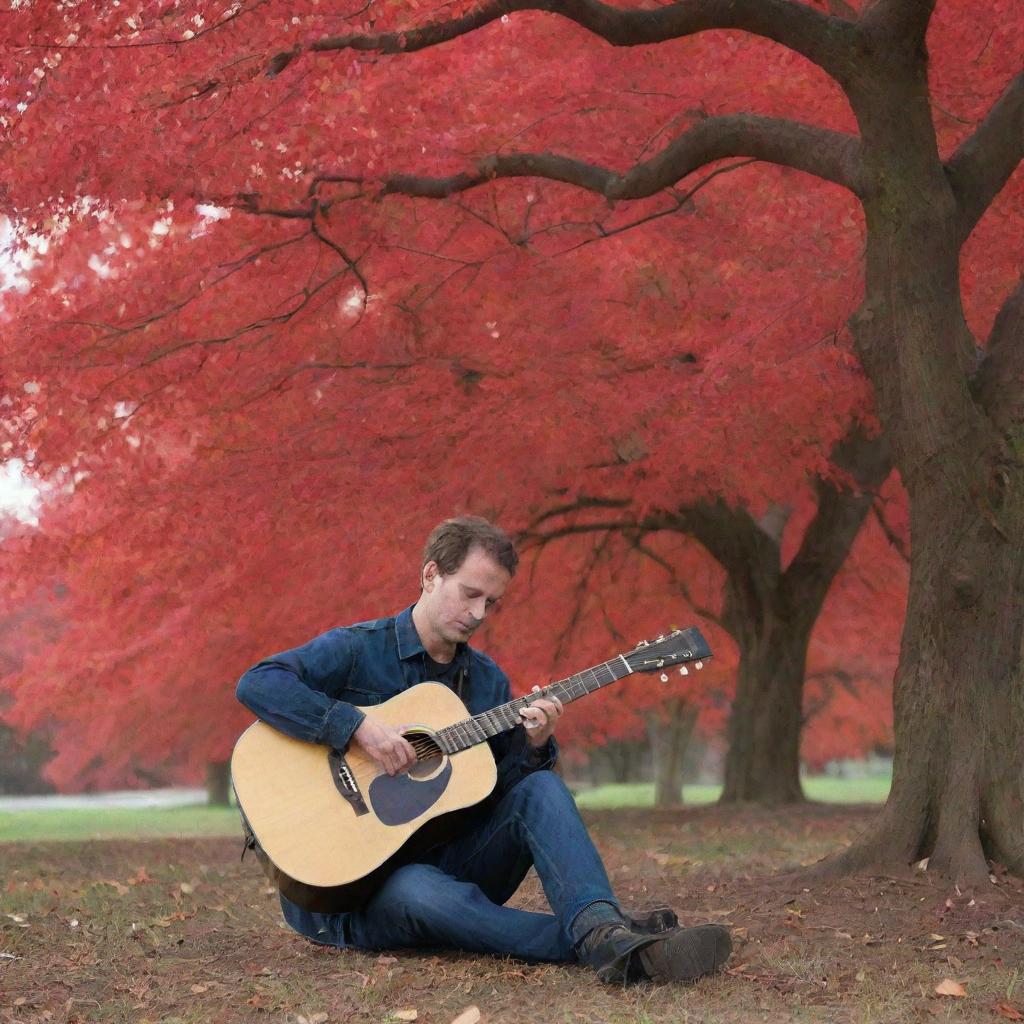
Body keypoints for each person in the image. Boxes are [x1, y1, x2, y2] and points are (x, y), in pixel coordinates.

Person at [236, 516, 731, 985]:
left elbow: (504, 803)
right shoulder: (358, 649)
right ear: (431, 575)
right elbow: (259, 683)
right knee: (419, 892)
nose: (478, 614)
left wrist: (534, 745)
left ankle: (602, 931)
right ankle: (617, 944)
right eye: (470, 594)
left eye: (491, 603)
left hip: (450, 860)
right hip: (352, 892)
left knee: (540, 786)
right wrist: (356, 727)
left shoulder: (487, 681)